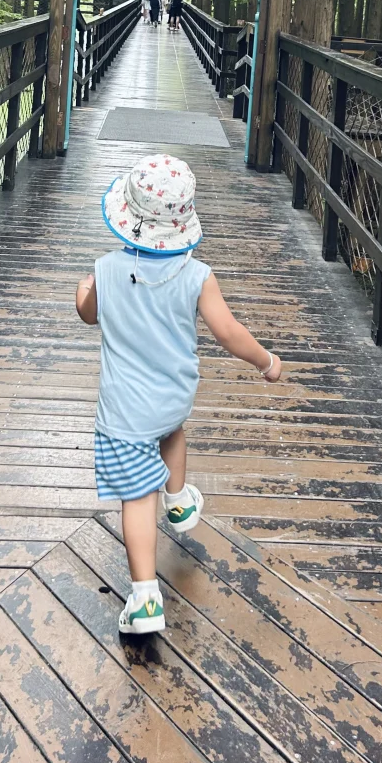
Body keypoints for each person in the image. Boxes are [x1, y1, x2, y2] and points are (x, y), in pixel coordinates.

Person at [75, 155, 282, 635]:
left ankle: (146, 597)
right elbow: (228, 331)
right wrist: (266, 362)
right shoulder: (197, 275)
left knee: (135, 497)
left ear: (128, 219)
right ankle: (180, 501)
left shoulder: (106, 269)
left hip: (125, 412)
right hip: (173, 396)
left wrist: (81, 292)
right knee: (171, 432)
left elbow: (89, 313)